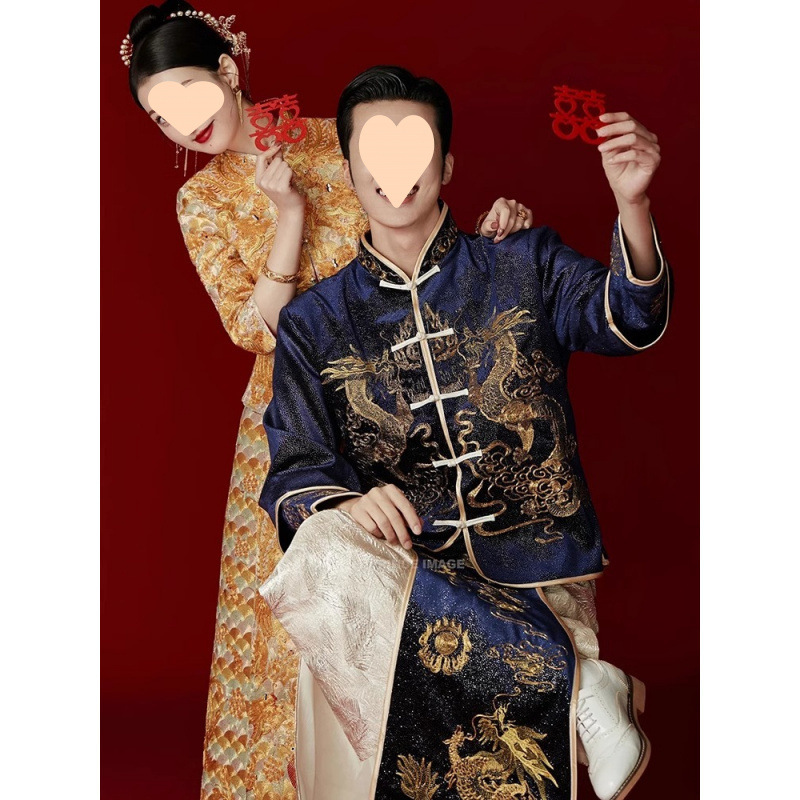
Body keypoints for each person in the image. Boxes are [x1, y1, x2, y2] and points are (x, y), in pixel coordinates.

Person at [123, 4, 535, 797]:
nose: (179, 124)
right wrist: (289, 214)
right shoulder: (201, 201)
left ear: (228, 72)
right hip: (291, 428)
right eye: (158, 116)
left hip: (396, 410)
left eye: (184, 94)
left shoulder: (343, 140)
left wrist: (493, 236)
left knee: (412, 606)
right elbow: (256, 330)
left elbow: (422, 253)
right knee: (293, 631)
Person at [259, 65, 672, 799]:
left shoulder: (521, 262)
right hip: (401, 577)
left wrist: (632, 204)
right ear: (347, 170)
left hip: (536, 563)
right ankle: (581, 683)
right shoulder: (314, 322)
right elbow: (294, 467)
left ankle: (567, 675)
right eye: (375, 154)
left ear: (447, 165)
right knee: (319, 540)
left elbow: (630, 319)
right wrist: (347, 504)